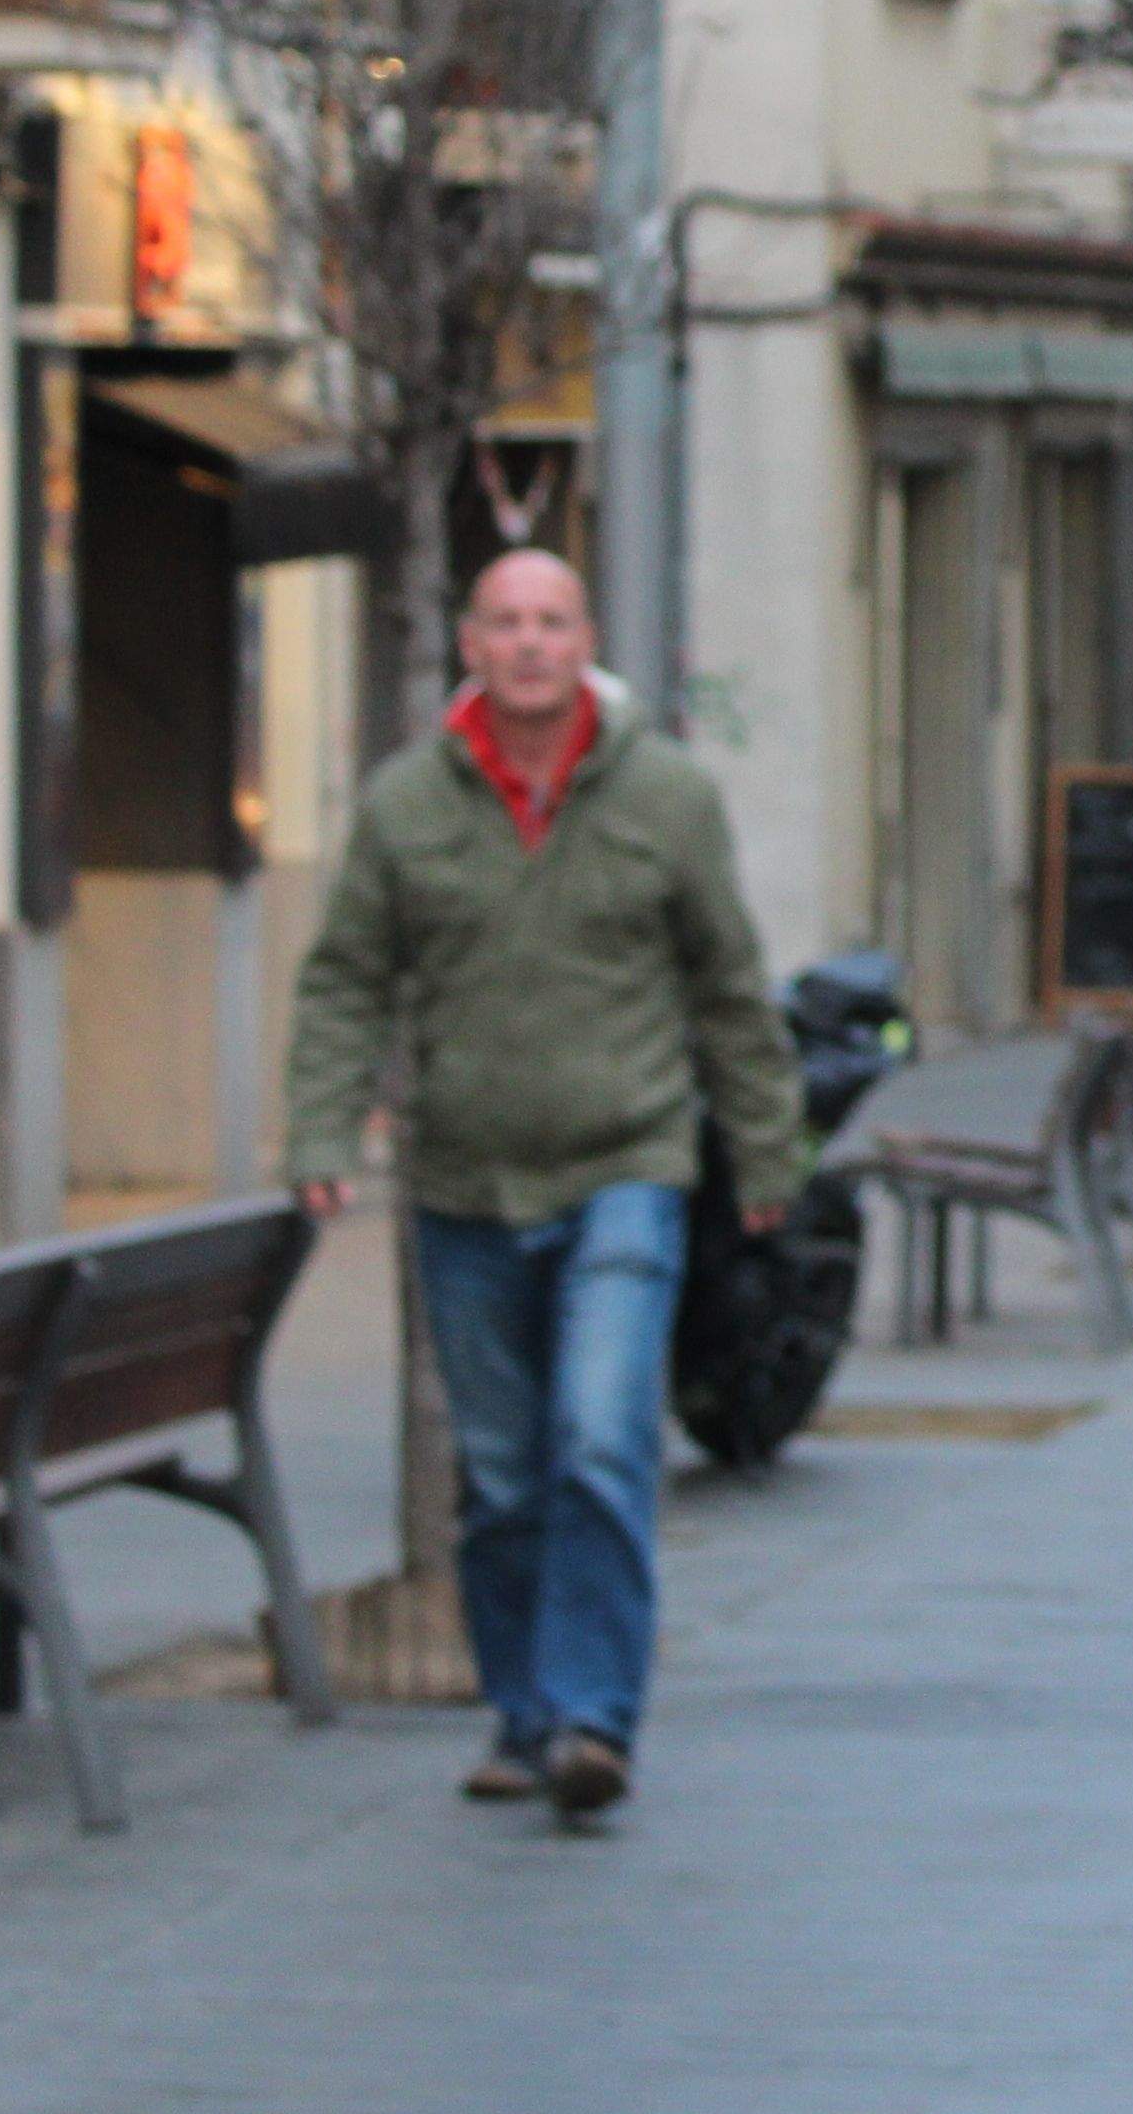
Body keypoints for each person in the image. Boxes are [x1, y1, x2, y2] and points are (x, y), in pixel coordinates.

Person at [283, 548, 804, 1829]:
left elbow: (727, 982)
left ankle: (592, 1718)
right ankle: (522, 1713)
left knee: (600, 1437)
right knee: (507, 1471)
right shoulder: (408, 805)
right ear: (468, 639)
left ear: (587, 640)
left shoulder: (667, 797)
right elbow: (347, 976)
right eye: (505, 621)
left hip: (626, 1165)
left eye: (552, 621)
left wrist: (768, 1146)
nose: (527, 643)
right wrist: (322, 1130)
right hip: (465, 1181)